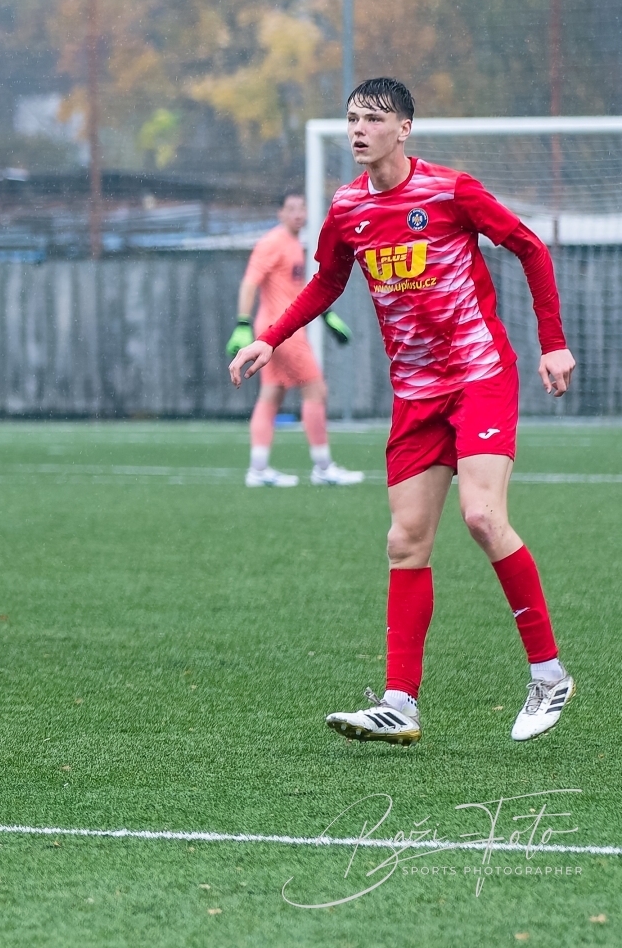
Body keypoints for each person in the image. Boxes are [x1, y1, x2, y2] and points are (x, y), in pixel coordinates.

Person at [230, 78, 577, 744]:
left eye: (373, 118)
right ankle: (399, 702)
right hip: (416, 394)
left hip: (479, 376)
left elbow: (530, 247)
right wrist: (271, 337)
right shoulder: (347, 208)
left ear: (405, 128)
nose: (358, 129)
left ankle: (548, 673)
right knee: (405, 542)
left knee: (481, 517)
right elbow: (328, 280)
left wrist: (553, 342)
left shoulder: (450, 191)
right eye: (352, 118)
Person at [226, 193, 363, 487]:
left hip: (279, 330)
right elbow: (249, 283)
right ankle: (323, 467)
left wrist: (327, 316)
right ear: (280, 213)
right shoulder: (273, 242)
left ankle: (258, 469)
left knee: (272, 394)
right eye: (291, 209)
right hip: (281, 332)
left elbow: (296, 291)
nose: (298, 213)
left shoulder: (294, 244)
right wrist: (242, 324)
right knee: (315, 389)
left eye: (302, 208)